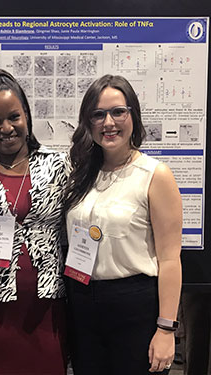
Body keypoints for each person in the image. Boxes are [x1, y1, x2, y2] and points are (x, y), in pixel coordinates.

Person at [64, 74, 182, 374]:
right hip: (82, 306)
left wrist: (166, 330)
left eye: (118, 111)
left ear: (133, 116)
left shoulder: (155, 175)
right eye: (98, 114)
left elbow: (170, 259)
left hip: (134, 308)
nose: (109, 122)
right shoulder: (80, 174)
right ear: (87, 122)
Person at [0, 69, 68, 374]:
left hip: (45, 308)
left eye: (14, 117)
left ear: (26, 116)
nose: (6, 128)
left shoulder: (58, 165)